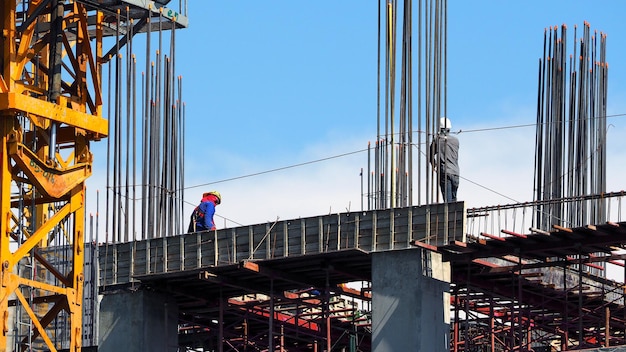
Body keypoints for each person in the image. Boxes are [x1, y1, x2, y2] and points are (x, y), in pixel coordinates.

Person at [430, 117, 460, 202]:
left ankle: (449, 214)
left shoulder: (437, 140)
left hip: (444, 172)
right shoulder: (456, 141)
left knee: (447, 202)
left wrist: (434, 164)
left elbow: (430, 154)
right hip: (455, 173)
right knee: (454, 201)